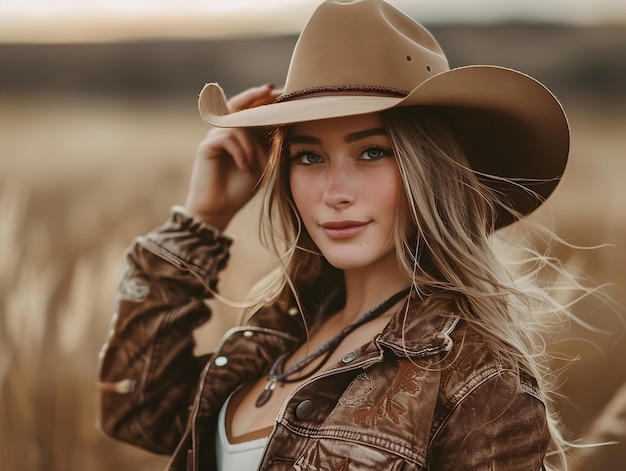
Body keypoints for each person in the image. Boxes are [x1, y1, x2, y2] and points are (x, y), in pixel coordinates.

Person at [96, 1, 575, 469]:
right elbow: (136, 410)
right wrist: (201, 219)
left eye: (372, 153)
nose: (334, 193)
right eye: (308, 157)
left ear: (429, 171)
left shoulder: (479, 380)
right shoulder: (283, 332)